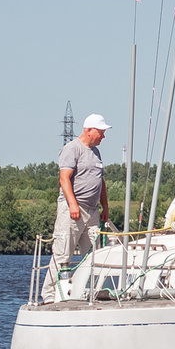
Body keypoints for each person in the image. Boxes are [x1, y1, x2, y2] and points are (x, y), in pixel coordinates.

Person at [53, 114, 110, 266]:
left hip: (92, 212)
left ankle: (95, 289)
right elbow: (64, 178)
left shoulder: (96, 152)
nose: (103, 136)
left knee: (95, 256)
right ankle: (51, 290)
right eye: (101, 132)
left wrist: (105, 206)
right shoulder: (72, 149)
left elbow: (100, 181)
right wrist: (72, 204)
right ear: (89, 130)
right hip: (73, 210)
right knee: (62, 254)